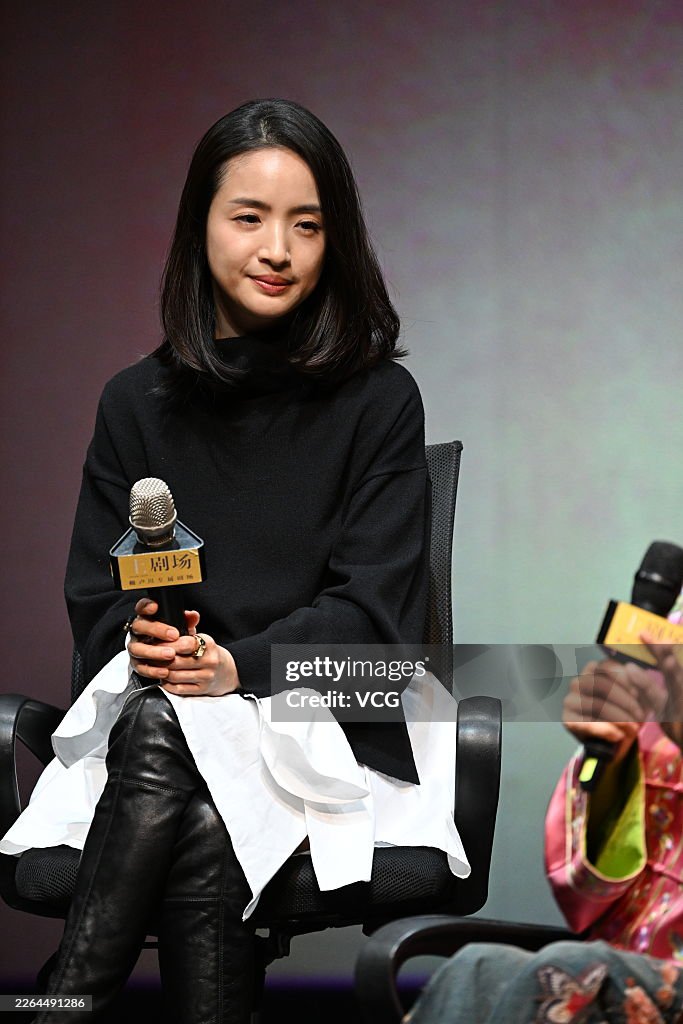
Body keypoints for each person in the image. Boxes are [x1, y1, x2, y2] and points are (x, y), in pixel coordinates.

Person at [0, 99, 468, 1023]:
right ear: (200, 227)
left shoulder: (379, 400)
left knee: (181, 744)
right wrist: (145, 648)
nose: (277, 248)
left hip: (323, 713)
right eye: (248, 217)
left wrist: (231, 669)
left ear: (336, 239)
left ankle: (70, 993)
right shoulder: (134, 402)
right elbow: (96, 606)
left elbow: (377, 631)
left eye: (306, 223)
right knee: (191, 773)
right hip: (161, 725)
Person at [405, 620, 683, 1024]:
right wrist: (612, 753)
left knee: (568, 973)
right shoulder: (669, 640)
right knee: (478, 969)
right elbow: (592, 888)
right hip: (623, 956)